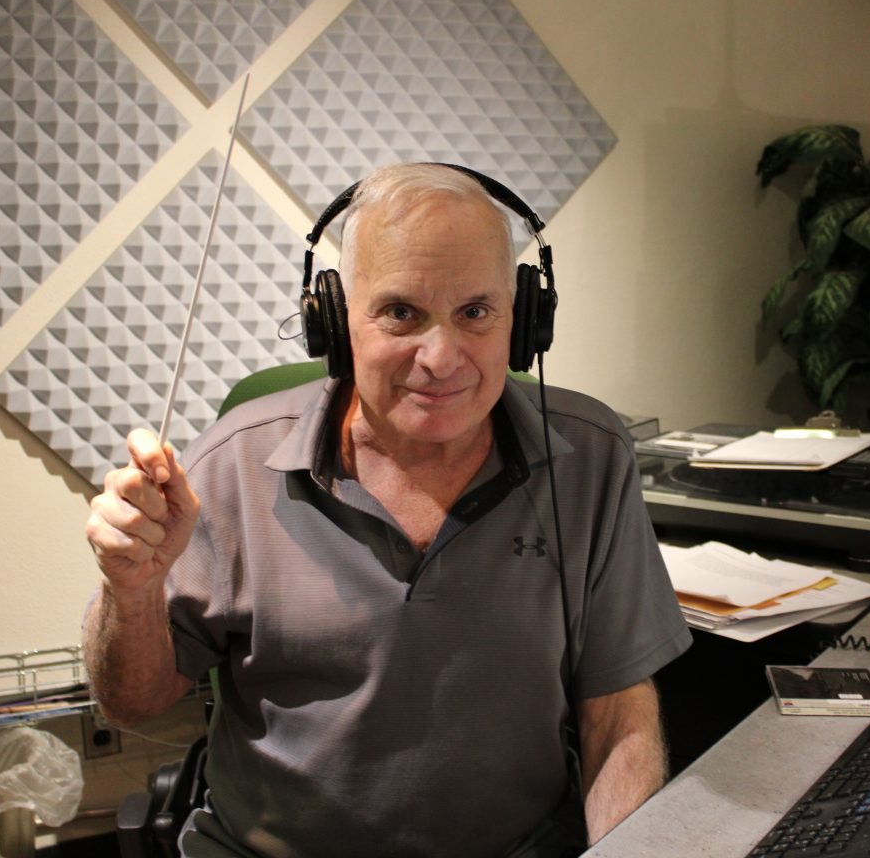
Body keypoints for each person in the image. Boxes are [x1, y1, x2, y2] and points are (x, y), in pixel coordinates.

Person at [83, 163, 692, 857]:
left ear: (523, 319)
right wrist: (128, 592)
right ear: (335, 321)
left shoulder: (593, 459)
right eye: (402, 312)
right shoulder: (228, 466)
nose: (441, 357)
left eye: (475, 312)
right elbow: (132, 702)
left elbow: (616, 717)